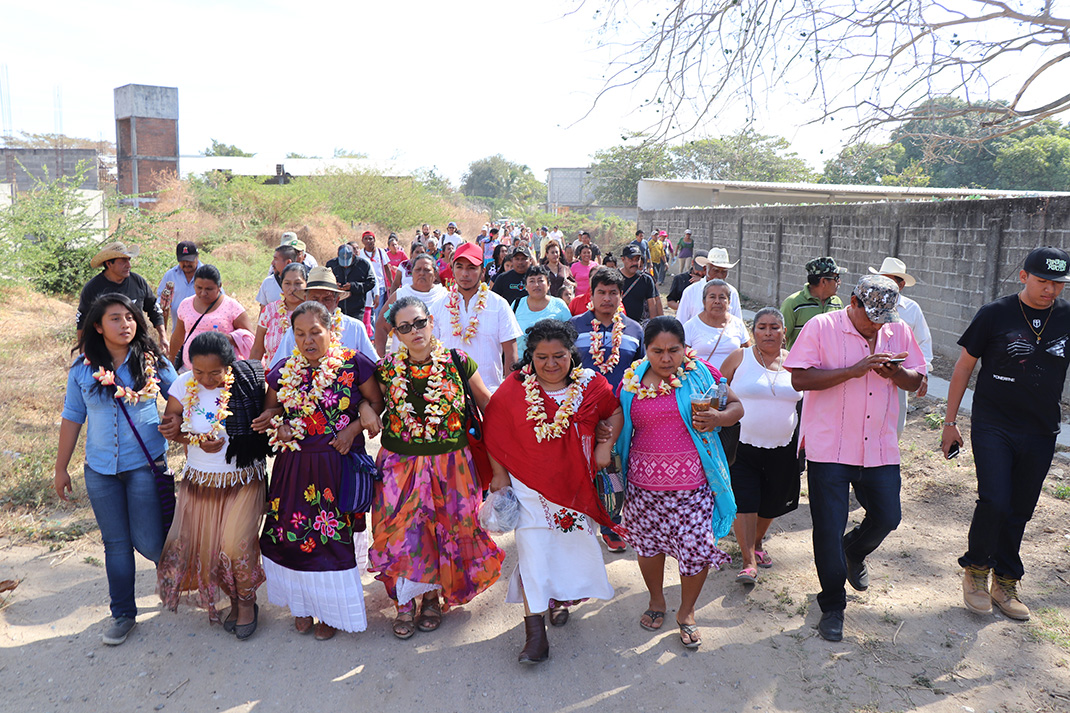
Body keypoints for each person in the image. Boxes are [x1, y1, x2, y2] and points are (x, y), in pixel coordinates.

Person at [784, 275, 925, 642]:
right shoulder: (821, 326)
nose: (877, 324)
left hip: (879, 445)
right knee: (828, 529)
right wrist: (854, 370)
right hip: (830, 447)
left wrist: (898, 373)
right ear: (854, 301)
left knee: (888, 517)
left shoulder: (899, 331)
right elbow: (799, 379)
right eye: (871, 315)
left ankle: (854, 550)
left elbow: (919, 383)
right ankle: (832, 604)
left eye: (884, 317)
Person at [941, 247, 1070, 622]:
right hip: (993, 423)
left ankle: (1006, 580)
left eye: (1057, 284)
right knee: (995, 499)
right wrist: (950, 423)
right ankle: (977, 570)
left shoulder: (1066, 316)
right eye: (1043, 281)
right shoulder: (995, 314)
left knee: (1020, 509)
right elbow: (964, 367)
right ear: (1024, 276)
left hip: (1041, 428)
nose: (1050, 290)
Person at [485, 320, 624, 664]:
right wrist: (500, 474)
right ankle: (535, 637)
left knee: (568, 551)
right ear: (530, 357)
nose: (550, 364)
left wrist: (605, 447)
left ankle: (559, 600)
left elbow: (615, 411)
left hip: (577, 490)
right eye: (541, 356)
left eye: (558, 356)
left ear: (571, 355)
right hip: (529, 490)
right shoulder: (514, 388)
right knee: (534, 556)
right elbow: (494, 431)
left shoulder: (591, 385)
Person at [370, 297, 505, 639]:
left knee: (444, 531)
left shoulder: (458, 361)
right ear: (396, 334)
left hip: (452, 466)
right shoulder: (387, 370)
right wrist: (363, 409)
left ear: (431, 321)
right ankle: (405, 602)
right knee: (403, 534)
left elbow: (489, 405)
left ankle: (431, 598)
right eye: (404, 327)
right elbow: (371, 403)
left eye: (419, 323)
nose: (414, 332)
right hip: (400, 467)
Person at [252, 301, 383, 640]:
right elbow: (273, 411)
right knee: (293, 538)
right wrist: (278, 426)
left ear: (330, 332)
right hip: (294, 468)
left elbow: (376, 402)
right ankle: (303, 606)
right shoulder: (282, 370)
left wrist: (354, 427)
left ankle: (330, 612)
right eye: (300, 334)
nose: (308, 340)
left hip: (336, 466)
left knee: (329, 541)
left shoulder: (354, 365)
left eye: (315, 332)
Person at [55, 293, 179, 645]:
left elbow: (183, 394)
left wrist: (175, 420)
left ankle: (176, 577)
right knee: (116, 545)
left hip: (144, 464)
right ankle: (123, 614)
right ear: (97, 325)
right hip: (99, 470)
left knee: (151, 541)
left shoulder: (152, 362)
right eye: (115, 318)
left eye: (129, 317)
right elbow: (72, 417)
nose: (125, 324)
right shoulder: (82, 369)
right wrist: (61, 468)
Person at [617, 316, 741, 648]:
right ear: (646, 351)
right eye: (657, 351)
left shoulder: (702, 374)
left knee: (697, 550)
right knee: (649, 547)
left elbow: (737, 406)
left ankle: (686, 612)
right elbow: (617, 425)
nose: (667, 358)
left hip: (694, 486)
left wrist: (720, 417)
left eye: (674, 350)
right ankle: (657, 601)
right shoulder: (631, 382)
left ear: (686, 348)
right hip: (644, 489)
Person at [156, 332, 270, 639]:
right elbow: (172, 427)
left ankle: (247, 602)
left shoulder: (251, 380)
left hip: (244, 478)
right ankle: (233, 599)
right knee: (214, 548)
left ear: (229, 366)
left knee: (236, 545)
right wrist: (188, 437)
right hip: (202, 481)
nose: (206, 379)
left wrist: (271, 416)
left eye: (215, 373)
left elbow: (274, 409)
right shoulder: (181, 385)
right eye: (199, 372)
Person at [720, 308, 803, 585]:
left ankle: (755, 542)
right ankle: (748, 561)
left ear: (784, 332)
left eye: (775, 327)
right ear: (753, 332)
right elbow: (717, 392)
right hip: (741, 446)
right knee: (745, 500)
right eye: (762, 327)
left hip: (784, 447)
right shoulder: (739, 358)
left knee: (773, 502)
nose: (768, 332)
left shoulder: (796, 363)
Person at [570, 267, 645, 553]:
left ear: (621, 295)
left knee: (614, 467)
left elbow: (641, 372)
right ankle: (576, 522)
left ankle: (611, 522)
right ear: (590, 294)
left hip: (621, 413)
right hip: (580, 411)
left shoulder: (635, 329)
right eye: (601, 292)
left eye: (613, 292)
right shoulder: (574, 326)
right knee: (579, 467)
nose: (607, 298)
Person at [431, 243, 523, 391]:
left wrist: (509, 392)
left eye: (472, 268)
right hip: (448, 393)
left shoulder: (499, 305)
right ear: (452, 269)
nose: (464, 274)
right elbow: (431, 351)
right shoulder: (439, 306)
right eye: (459, 267)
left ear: (482, 271)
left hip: (490, 392)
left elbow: (511, 354)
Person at [870, 257, 933, 435]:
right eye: (882, 279)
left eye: (890, 281)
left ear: (901, 284)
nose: (884, 285)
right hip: (869, 374)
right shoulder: (867, 304)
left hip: (900, 376)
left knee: (894, 426)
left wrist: (924, 374)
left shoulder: (911, 309)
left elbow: (924, 343)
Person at [272, 266, 378, 366]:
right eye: (315, 299)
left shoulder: (355, 328)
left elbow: (373, 365)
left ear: (336, 301)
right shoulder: (295, 332)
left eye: (326, 299)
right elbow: (277, 370)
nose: (320, 305)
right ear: (306, 300)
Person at [77, 241, 167, 348]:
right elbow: (82, 321)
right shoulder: (93, 288)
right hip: (104, 349)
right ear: (109, 264)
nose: (129, 265)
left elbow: (153, 308)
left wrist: (163, 337)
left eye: (129, 260)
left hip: (137, 346)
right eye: (123, 261)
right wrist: (84, 352)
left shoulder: (138, 282)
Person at [169, 265, 254, 370]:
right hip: (189, 371)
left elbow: (250, 338)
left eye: (209, 289)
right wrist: (171, 365)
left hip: (221, 373)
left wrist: (230, 338)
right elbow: (177, 338)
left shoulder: (232, 306)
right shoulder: (185, 305)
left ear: (219, 287)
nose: (203, 293)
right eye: (199, 288)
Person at [375, 254, 448, 354]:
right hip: (403, 363)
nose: (421, 273)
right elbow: (381, 326)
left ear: (435, 274)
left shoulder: (445, 296)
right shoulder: (400, 295)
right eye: (417, 269)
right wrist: (382, 359)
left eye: (426, 270)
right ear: (411, 273)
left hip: (439, 362)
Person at [781, 256, 848, 349]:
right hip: (801, 363)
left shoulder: (837, 303)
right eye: (836, 278)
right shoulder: (793, 304)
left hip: (830, 363)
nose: (839, 282)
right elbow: (780, 339)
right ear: (823, 281)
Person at [684, 280, 752, 370]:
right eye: (712, 297)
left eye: (722, 297)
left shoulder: (738, 324)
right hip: (700, 382)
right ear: (704, 301)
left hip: (731, 382)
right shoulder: (690, 326)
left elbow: (749, 356)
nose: (717, 301)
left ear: (729, 302)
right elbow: (682, 358)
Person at [251, 263, 307, 367]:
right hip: (274, 377)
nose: (292, 288)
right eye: (287, 283)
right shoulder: (270, 311)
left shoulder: (312, 312)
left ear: (306, 284)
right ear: (281, 285)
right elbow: (257, 349)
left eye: (298, 283)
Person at [675, 248, 743, 326]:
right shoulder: (691, 292)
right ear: (705, 269)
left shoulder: (732, 293)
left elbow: (738, 324)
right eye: (716, 271)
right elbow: (680, 323)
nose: (720, 276)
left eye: (724, 272)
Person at [515, 266, 573, 354]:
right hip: (521, 363)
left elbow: (570, 335)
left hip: (552, 363)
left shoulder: (559, 305)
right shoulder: (517, 304)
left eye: (540, 280)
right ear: (525, 286)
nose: (536, 285)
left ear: (549, 285)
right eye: (531, 281)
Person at [326, 243, 376, 333]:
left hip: (356, 307)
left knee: (354, 332)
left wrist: (353, 286)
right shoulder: (331, 265)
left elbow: (371, 283)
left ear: (353, 255)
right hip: (336, 306)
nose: (345, 265)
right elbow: (324, 282)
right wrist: (334, 285)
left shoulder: (364, 265)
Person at [155, 241, 204, 334]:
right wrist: (161, 307)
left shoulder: (208, 273)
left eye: (190, 260)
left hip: (203, 332)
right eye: (182, 261)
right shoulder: (170, 275)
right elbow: (160, 298)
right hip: (179, 334)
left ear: (197, 256)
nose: (186, 264)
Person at [620, 244, 663, 323]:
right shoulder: (614, 278)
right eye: (631, 260)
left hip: (637, 327)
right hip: (616, 325)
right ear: (623, 259)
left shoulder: (646, 280)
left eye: (637, 259)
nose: (635, 263)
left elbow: (652, 307)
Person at [358, 230, 391, 325]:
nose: (368, 241)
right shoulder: (360, 254)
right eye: (366, 239)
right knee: (368, 311)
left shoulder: (381, 252)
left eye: (370, 239)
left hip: (380, 286)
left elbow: (386, 268)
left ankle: (377, 334)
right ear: (362, 241)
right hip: (366, 286)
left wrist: (391, 283)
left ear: (374, 240)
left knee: (378, 311)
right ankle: (371, 335)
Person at [256, 244, 298, 314]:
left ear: (288, 262)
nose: (272, 263)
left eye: (276, 259)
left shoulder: (302, 285)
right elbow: (263, 312)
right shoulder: (268, 282)